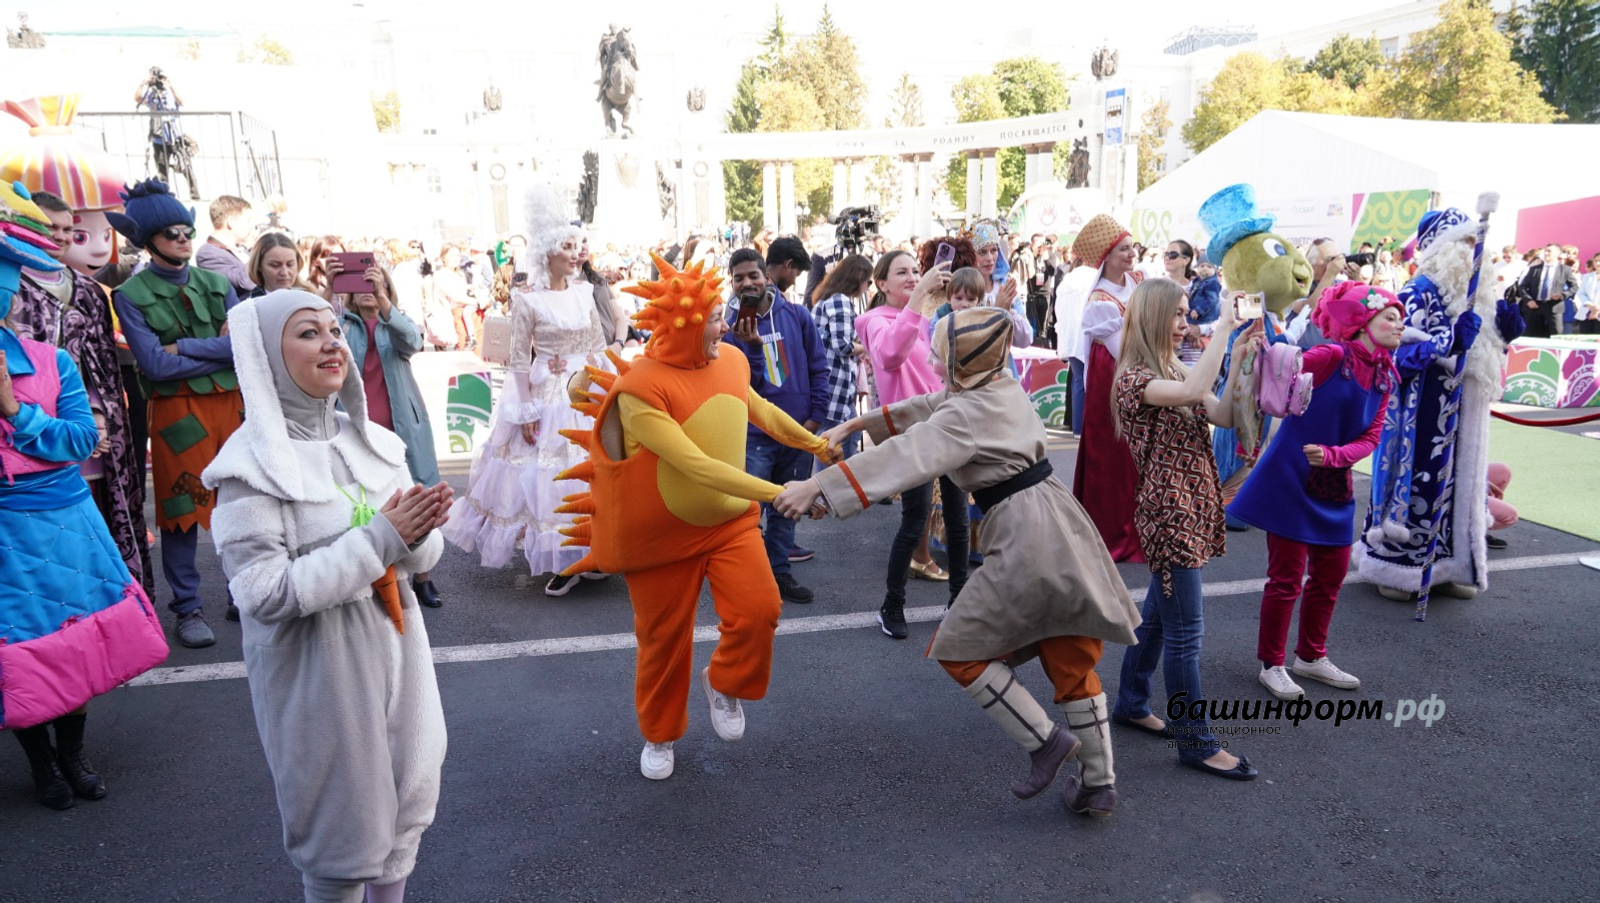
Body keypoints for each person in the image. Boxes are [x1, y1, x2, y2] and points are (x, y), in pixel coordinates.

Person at [775, 307, 1141, 815]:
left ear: (964, 361)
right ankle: (1100, 783)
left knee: (960, 648)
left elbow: (909, 454)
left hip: (1023, 534)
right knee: (1069, 648)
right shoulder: (999, 385)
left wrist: (816, 485)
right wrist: (857, 422)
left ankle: (1046, 742)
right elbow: (932, 405)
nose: (935, 360)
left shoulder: (965, 413)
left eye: (943, 352)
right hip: (1058, 520)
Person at [204, 291, 450, 903]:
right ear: (264, 355)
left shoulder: (377, 443)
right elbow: (263, 593)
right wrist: (380, 540)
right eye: (307, 333)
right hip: (320, 682)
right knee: (339, 839)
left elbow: (416, 555)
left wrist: (417, 537)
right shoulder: (246, 471)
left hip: (401, 660)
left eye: (334, 331)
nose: (331, 343)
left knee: (404, 814)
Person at [549, 254, 831, 780]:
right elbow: (696, 466)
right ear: (686, 328)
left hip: (728, 523)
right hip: (659, 537)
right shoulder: (641, 390)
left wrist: (816, 444)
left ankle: (724, 682)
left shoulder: (730, 359)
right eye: (714, 321)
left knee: (759, 610)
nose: (725, 324)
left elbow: (761, 411)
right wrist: (780, 493)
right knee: (662, 642)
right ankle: (659, 735)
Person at [0, 183, 168, 811]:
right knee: (17, 656)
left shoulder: (50, 364)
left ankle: (72, 753)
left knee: (71, 646)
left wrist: (16, 411)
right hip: (7, 532)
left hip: (65, 522)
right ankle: (42, 764)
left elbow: (78, 438)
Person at [1111, 278, 1261, 781]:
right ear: (1153, 317)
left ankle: (1131, 702)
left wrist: (1237, 354)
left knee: (1157, 616)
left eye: (1185, 314)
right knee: (1185, 635)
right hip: (1170, 513)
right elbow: (1199, 391)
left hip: (1191, 504)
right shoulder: (1134, 379)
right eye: (1175, 315)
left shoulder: (1173, 368)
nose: (1183, 324)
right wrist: (1222, 328)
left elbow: (1217, 412)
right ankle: (1195, 742)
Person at [1228, 283, 1406, 701]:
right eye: (1390, 317)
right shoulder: (1331, 356)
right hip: (1289, 476)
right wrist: (1258, 321)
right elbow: (1273, 372)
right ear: (1362, 322)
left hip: (1332, 479)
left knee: (1331, 575)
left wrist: (1335, 455)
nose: (1400, 325)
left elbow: (1372, 436)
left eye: (1401, 318)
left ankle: (1310, 655)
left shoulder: (1386, 375)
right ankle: (1272, 664)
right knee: (1285, 579)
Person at [444, 185, 612, 596]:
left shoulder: (584, 291)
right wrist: (527, 410)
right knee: (551, 475)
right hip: (546, 393)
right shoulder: (527, 300)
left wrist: (611, 389)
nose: (575, 254)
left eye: (578, 246)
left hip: (585, 389)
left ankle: (588, 551)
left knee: (591, 471)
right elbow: (519, 360)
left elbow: (596, 345)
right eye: (567, 247)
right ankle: (563, 559)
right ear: (547, 253)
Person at [1360, 206, 1525, 612]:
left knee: (1457, 490)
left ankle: (1448, 565)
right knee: (1418, 486)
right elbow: (1394, 357)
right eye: (1465, 243)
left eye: (1475, 243)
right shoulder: (1416, 292)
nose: (1473, 252)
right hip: (1417, 418)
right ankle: (1399, 566)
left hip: (1463, 416)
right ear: (1442, 248)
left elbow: (1481, 354)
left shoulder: (1476, 296)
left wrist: (1504, 331)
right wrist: (1447, 342)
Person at [108, 179, 245, 648]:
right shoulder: (129, 295)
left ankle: (241, 591)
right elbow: (154, 365)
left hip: (231, 409)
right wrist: (217, 351)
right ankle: (187, 608)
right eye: (171, 233)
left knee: (240, 504)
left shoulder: (218, 282)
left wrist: (185, 345)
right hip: (177, 415)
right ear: (148, 240)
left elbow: (241, 348)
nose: (183, 238)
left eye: (186, 230)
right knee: (182, 512)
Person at [5, 190, 152, 594]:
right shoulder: (11, 285)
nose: (62, 236)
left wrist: (101, 415)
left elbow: (102, 362)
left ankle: (112, 599)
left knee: (104, 504)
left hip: (90, 417)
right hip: (29, 420)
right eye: (51, 227)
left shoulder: (88, 290)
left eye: (69, 229)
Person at [855, 250, 970, 637]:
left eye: (915, 271)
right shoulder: (874, 321)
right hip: (912, 436)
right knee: (915, 519)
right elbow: (889, 357)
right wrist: (920, 294)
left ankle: (958, 601)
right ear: (881, 283)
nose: (912, 276)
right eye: (901, 272)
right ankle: (891, 605)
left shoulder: (925, 321)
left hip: (947, 427)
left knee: (957, 519)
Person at [723, 247, 829, 597]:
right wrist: (750, 347)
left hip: (798, 432)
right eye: (738, 278)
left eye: (752, 275)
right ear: (732, 283)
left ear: (767, 277)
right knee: (749, 510)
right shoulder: (728, 331)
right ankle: (751, 575)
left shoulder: (797, 315)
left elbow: (818, 366)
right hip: (756, 436)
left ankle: (779, 573)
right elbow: (740, 387)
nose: (746, 283)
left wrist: (815, 417)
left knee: (787, 510)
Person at [340, 265, 446, 609]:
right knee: (367, 501)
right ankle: (379, 574)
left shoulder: (395, 322)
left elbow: (412, 342)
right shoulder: (342, 324)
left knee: (416, 494)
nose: (368, 289)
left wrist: (385, 304)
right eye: (362, 284)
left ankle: (423, 576)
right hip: (359, 430)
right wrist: (334, 295)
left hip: (404, 428)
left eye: (376, 282)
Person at [1070, 214, 1144, 563]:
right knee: (1112, 454)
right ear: (1107, 256)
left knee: (1136, 455)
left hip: (1135, 369)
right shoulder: (1100, 299)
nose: (1131, 255)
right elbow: (1120, 348)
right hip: (1113, 378)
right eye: (1123, 249)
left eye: (1132, 247)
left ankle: (1139, 524)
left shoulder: (1139, 281)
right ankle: (1111, 531)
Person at [809, 252, 873, 465]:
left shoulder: (827, 298)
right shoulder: (840, 302)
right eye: (869, 280)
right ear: (858, 278)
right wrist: (866, 347)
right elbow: (842, 345)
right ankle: (826, 494)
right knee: (831, 445)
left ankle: (832, 492)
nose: (868, 285)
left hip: (828, 383)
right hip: (834, 384)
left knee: (847, 436)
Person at [195, 195, 256, 297]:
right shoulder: (208, 253)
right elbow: (245, 283)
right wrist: (260, 250)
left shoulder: (242, 248)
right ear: (231, 222)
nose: (251, 226)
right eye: (248, 220)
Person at [1516, 243, 1577, 339]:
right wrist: (1528, 300)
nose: (1546, 253)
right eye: (1545, 251)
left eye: (1549, 251)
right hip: (1535, 306)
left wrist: (1562, 295)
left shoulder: (1565, 270)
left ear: (1557, 254)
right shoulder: (1534, 269)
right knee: (1531, 335)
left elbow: (1574, 287)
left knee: (1556, 334)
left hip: (1553, 306)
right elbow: (1522, 286)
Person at [248, 231, 314, 295]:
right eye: (275, 265)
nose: (284, 272)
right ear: (259, 266)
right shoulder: (249, 304)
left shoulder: (310, 298)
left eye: (290, 264)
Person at [1576, 252, 1600, 335]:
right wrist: (1590, 305)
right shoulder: (1587, 276)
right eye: (1596, 261)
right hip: (1586, 312)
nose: (1598, 263)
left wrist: (1596, 309)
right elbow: (1581, 293)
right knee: (1585, 337)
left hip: (1598, 312)